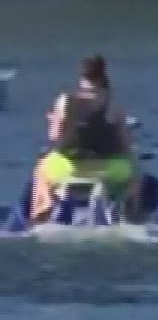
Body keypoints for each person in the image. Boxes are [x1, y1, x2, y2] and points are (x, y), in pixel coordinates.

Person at [29, 55, 139, 222]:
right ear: (103, 76)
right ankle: (130, 211)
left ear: (81, 76)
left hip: (68, 168)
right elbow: (125, 144)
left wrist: (54, 120)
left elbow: (54, 136)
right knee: (135, 172)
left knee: (41, 170)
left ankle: (43, 208)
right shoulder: (114, 105)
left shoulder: (64, 101)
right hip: (108, 170)